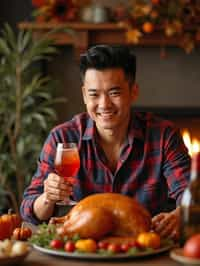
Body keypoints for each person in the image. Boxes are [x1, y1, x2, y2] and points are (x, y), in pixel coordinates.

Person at [20, 44, 190, 240]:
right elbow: (28, 211)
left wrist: (181, 215)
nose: (104, 104)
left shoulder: (163, 136)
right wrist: (47, 198)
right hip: (80, 252)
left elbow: (191, 197)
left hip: (144, 250)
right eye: (94, 94)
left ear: (133, 92)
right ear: (84, 95)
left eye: (114, 93)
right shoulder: (63, 138)